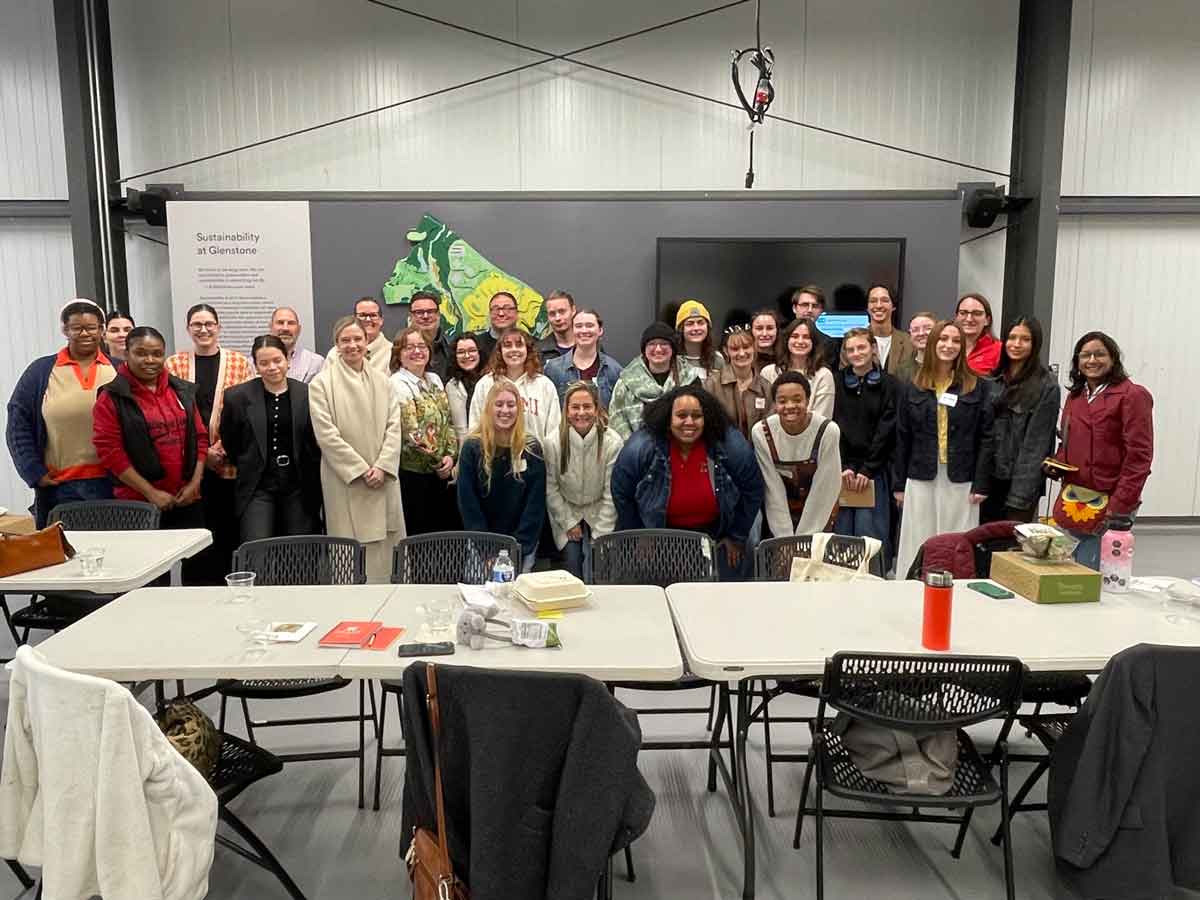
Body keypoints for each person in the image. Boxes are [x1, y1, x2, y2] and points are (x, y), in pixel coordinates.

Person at [612, 383, 764, 580]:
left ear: (706, 419)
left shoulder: (730, 444)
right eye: (681, 416)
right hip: (659, 533)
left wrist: (736, 536)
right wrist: (639, 534)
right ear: (669, 419)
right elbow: (620, 490)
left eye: (697, 416)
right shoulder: (642, 446)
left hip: (714, 535)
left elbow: (753, 489)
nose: (689, 422)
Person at [91, 327, 208, 582]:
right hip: (141, 503)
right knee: (151, 578)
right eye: (141, 353)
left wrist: (195, 483)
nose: (150, 360)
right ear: (127, 354)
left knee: (200, 572)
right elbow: (110, 452)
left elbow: (200, 437)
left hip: (187, 497)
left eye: (157, 354)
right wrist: (150, 492)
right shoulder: (112, 396)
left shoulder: (181, 390)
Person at [893, 320, 994, 578]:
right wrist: (898, 485)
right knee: (918, 536)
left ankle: (957, 592)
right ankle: (912, 587)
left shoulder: (978, 387)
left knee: (957, 538)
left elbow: (987, 437)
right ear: (932, 343)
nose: (949, 346)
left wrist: (982, 483)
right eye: (943, 339)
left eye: (955, 341)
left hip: (961, 476)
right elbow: (902, 436)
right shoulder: (912, 385)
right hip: (920, 474)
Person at [309, 316, 406, 582]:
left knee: (387, 554)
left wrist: (383, 466)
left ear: (367, 341)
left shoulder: (383, 380)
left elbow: (394, 426)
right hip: (346, 480)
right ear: (336, 345)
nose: (352, 345)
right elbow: (326, 435)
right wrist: (362, 470)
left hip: (383, 478)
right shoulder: (321, 383)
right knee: (349, 555)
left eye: (357, 339)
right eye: (345, 340)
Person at [1048, 331, 1153, 569]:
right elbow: (1068, 442)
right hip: (1073, 498)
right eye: (1085, 355)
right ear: (1077, 361)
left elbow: (1139, 458)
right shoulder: (1075, 396)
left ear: (1113, 358)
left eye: (1099, 354)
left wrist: (1119, 505)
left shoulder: (1133, 395)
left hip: (1110, 500)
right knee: (1067, 572)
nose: (1092, 360)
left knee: (1099, 576)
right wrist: (1056, 463)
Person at [7, 300, 116, 527]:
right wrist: (33, 472)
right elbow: (18, 424)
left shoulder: (120, 369)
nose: (85, 333)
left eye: (92, 327)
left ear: (102, 329)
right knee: (65, 557)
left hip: (115, 485)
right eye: (77, 328)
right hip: (60, 488)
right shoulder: (40, 372)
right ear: (65, 330)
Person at [165, 303, 253, 579]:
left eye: (209, 324)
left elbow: (247, 413)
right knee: (196, 540)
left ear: (218, 327)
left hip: (227, 464)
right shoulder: (174, 364)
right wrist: (203, 453)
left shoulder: (239, 363)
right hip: (190, 466)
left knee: (228, 533)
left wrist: (221, 447)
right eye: (197, 325)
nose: (204, 329)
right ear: (188, 329)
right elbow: (168, 415)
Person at [219, 335, 322, 542]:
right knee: (257, 545)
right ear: (255, 366)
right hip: (257, 484)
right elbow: (230, 440)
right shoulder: (236, 396)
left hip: (298, 484)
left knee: (300, 550)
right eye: (264, 363)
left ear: (287, 361)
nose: (272, 367)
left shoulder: (307, 393)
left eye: (277, 360)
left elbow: (313, 441)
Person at [457, 379, 547, 572]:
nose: (505, 410)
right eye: (499, 404)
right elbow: (468, 505)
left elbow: (535, 505)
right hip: (481, 547)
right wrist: (487, 552)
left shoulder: (531, 449)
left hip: (522, 547)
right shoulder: (472, 448)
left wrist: (516, 551)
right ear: (489, 408)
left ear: (519, 408)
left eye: (511, 404)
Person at [981, 317, 1060, 525]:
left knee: (1010, 548)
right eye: (1012, 337)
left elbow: (1037, 445)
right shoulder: (991, 380)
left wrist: (1020, 496)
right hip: (987, 479)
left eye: (1025, 339)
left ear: (1035, 344)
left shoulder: (1047, 386)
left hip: (1019, 484)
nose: (1016, 344)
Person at [542, 381, 623, 582]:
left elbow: (611, 494)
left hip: (599, 509)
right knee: (572, 564)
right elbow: (550, 489)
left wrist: (600, 532)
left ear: (596, 409)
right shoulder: (552, 442)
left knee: (601, 564)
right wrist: (568, 523)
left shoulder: (612, 442)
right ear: (567, 411)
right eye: (575, 407)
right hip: (567, 510)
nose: (581, 413)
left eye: (587, 406)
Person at [752, 371, 843, 539]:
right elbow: (773, 491)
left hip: (820, 517)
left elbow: (825, 488)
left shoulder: (828, 431)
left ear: (808, 401)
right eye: (782, 401)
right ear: (774, 404)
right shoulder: (761, 432)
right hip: (778, 522)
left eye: (797, 399)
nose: (790, 406)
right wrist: (784, 540)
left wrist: (804, 540)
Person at [832, 328, 897, 558]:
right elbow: (832, 427)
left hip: (873, 472)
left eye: (861, 347)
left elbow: (887, 430)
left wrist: (867, 469)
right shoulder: (836, 382)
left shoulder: (890, 385)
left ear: (873, 349)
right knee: (841, 540)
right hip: (842, 472)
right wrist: (844, 466)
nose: (856, 353)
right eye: (850, 349)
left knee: (870, 538)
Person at [388, 327, 458, 535]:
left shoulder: (434, 379)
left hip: (441, 473)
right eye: (409, 347)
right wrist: (438, 461)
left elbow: (448, 421)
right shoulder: (396, 384)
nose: (417, 351)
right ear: (399, 354)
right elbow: (411, 433)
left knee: (444, 539)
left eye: (422, 346)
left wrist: (450, 456)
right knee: (420, 539)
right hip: (414, 477)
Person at [608, 323, 699, 439]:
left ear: (673, 348)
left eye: (664, 344)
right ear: (644, 349)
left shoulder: (690, 378)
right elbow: (616, 419)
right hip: (638, 447)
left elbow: (698, 417)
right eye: (652, 344)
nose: (658, 349)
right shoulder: (626, 381)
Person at [468, 330, 561, 442]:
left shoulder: (544, 385)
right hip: (493, 457)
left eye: (519, 345)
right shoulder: (485, 384)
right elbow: (475, 429)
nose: (513, 349)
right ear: (500, 351)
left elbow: (553, 434)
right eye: (507, 346)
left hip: (535, 457)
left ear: (528, 350)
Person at [544, 308, 622, 408]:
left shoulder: (614, 370)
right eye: (578, 326)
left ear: (600, 330)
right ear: (572, 330)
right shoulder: (553, 369)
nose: (584, 330)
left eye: (589, 325)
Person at [704, 326, 772, 439]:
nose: (741, 353)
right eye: (735, 349)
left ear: (754, 347)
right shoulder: (711, 384)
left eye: (746, 347)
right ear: (726, 351)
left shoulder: (766, 387)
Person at [760, 318, 835, 418]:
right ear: (787, 340)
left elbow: (821, 419)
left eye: (806, 337)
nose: (800, 341)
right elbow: (765, 414)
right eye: (795, 336)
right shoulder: (768, 372)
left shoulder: (824, 375)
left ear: (814, 342)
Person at [325, 298, 392, 375]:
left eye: (373, 315)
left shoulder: (393, 353)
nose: (368, 319)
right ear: (354, 319)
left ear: (381, 320)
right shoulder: (335, 353)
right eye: (362, 315)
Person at [267, 306, 325, 383]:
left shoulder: (315, 363)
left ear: (299, 329)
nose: (285, 328)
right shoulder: (253, 364)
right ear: (271, 327)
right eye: (280, 322)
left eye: (291, 323)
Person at [866, 284, 914, 376]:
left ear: (893, 306)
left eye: (885, 300)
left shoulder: (909, 342)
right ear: (867, 308)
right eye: (873, 301)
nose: (879, 305)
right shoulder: (853, 341)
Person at [445, 334, 484, 445]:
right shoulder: (451, 386)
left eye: (472, 350)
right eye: (461, 352)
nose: (467, 355)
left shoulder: (490, 381)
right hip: (461, 451)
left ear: (479, 353)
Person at [406, 290, 451, 380]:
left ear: (438, 315)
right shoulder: (400, 349)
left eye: (430, 311)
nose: (425, 316)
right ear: (410, 316)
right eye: (419, 312)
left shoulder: (450, 351)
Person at [675, 300, 723, 380]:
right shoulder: (672, 358)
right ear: (681, 329)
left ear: (708, 327)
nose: (696, 328)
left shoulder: (717, 359)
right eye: (690, 323)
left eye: (700, 322)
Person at [955, 293, 1001, 375]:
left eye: (977, 313)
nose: (969, 319)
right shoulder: (946, 346)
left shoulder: (998, 350)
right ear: (956, 317)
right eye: (963, 313)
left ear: (987, 320)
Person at [472, 291, 520, 363]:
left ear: (517, 313)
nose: (501, 314)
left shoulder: (530, 344)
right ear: (489, 314)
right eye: (496, 309)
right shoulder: (476, 345)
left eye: (507, 308)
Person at [893, 310, 936, 383]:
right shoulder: (901, 371)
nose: (921, 333)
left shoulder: (947, 366)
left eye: (927, 328)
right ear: (910, 335)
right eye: (915, 329)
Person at [537, 289, 576, 362]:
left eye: (562, 312)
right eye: (552, 314)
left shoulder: (589, 345)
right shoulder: (539, 350)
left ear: (573, 310)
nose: (557, 318)